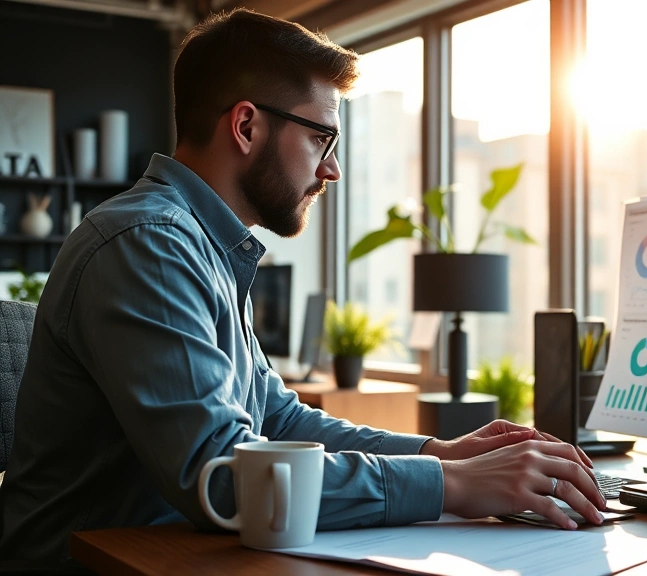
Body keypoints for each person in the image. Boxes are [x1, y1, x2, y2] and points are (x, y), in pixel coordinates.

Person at [0, 8, 604, 563]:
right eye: (322, 137)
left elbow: (278, 422)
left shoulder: (202, 246)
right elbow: (225, 476)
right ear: (246, 126)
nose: (332, 169)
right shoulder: (148, 244)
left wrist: (438, 455)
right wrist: (455, 485)